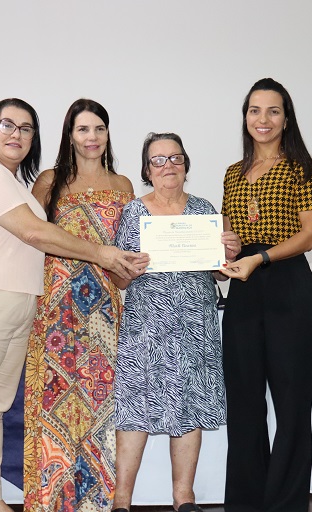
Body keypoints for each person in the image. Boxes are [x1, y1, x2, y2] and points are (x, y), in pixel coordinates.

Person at [0, 98, 148, 512]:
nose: (17, 134)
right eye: (8, 125)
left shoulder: (15, 183)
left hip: (18, 305)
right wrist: (101, 254)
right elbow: (35, 234)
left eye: (26, 128)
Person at [110, 132, 241, 512]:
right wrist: (128, 269)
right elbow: (118, 279)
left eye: (175, 158)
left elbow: (217, 272)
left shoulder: (204, 210)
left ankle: (184, 497)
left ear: (185, 164)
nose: (168, 166)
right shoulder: (134, 213)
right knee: (135, 406)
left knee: (191, 404)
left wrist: (228, 254)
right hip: (146, 326)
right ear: (147, 170)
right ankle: (121, 500)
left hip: (194, 324)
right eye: (158, 159)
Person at [219, 78, 312, 512]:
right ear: (245, 117)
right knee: (244, 404)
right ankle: (246, 503)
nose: (262, 119)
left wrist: (260, 258)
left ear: (286, 118)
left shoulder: (305, 167)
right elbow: (229, 238)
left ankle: (285, 504)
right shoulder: (232, 173)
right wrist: (225, 254)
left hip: (289, 287)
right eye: (254, 110)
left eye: (273, 110)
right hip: (244, 292)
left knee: (291, 404)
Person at [23, 99, 135, 512]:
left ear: (108, 134)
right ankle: (51, 502)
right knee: (53, 405)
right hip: (56, 308)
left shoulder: (123, 184)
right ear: (69, 135)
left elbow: (128, 249)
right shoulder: (49, 181)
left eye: (99, 129)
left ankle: (96, 504)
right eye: (83, 129)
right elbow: (30, 240)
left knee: (99, 406)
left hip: (104, 310)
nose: (92, 137)